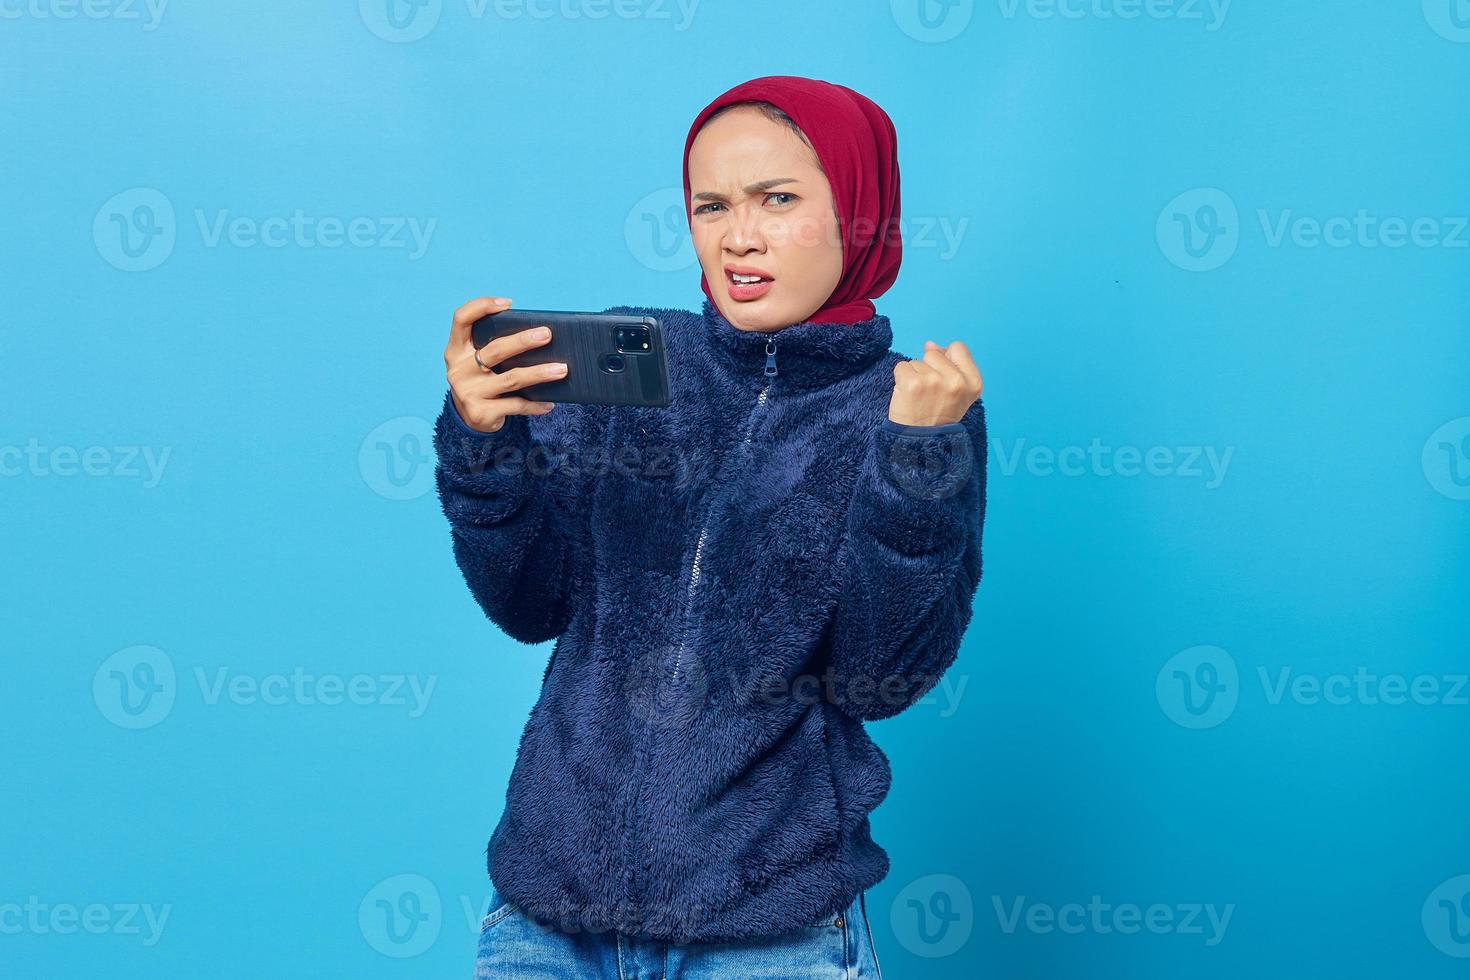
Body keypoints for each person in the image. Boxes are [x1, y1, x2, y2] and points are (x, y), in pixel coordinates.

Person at [435, 74, 985, 979]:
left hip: (768, 931)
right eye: (711, 204)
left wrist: (915, 465)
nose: (740, 237)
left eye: (779, 199)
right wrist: (484, 446)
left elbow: (880, 679)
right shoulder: (632, 363)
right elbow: (527, 603)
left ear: (857, 208)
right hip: (546, 922)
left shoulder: (913, 410)